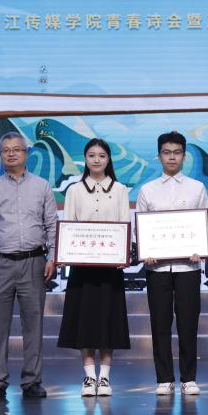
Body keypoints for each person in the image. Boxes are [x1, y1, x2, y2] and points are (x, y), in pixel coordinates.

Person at [0, 131, 57, 400]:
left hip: (34, 262)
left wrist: (53, 257)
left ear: (26, 153)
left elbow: (52, 225)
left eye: (16, 149)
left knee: (34, 325)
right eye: (6, 150)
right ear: (0, 155)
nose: (11, 153)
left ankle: (32, 381)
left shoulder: (42, 186)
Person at [135, 131, 208, 396]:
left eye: (177, 152)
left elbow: (204, 224)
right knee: (160, 323)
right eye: (166, 152)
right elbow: (140, 228)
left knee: (188, 323)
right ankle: (164, 378)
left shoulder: (197, 188)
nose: (171, 157)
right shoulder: (147, 190)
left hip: (188, 267)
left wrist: (200, 249)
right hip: (157, 268)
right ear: (159, 156)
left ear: (184, 156)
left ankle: (189, 378)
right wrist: (146, 251)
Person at [57, 138, 132, 397]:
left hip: (111, 267)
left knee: (108, 322)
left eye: (101, 155)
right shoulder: (74, 190)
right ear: (85, 159)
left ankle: (105, 378)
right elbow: (68, 225)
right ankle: (89, 377)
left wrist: (123, 254)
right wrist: (66, 252)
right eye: (91, 155)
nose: (97, 160)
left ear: (108, 159)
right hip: (83, 267)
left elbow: (124, 224)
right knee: (85, 322)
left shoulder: (120, 190)